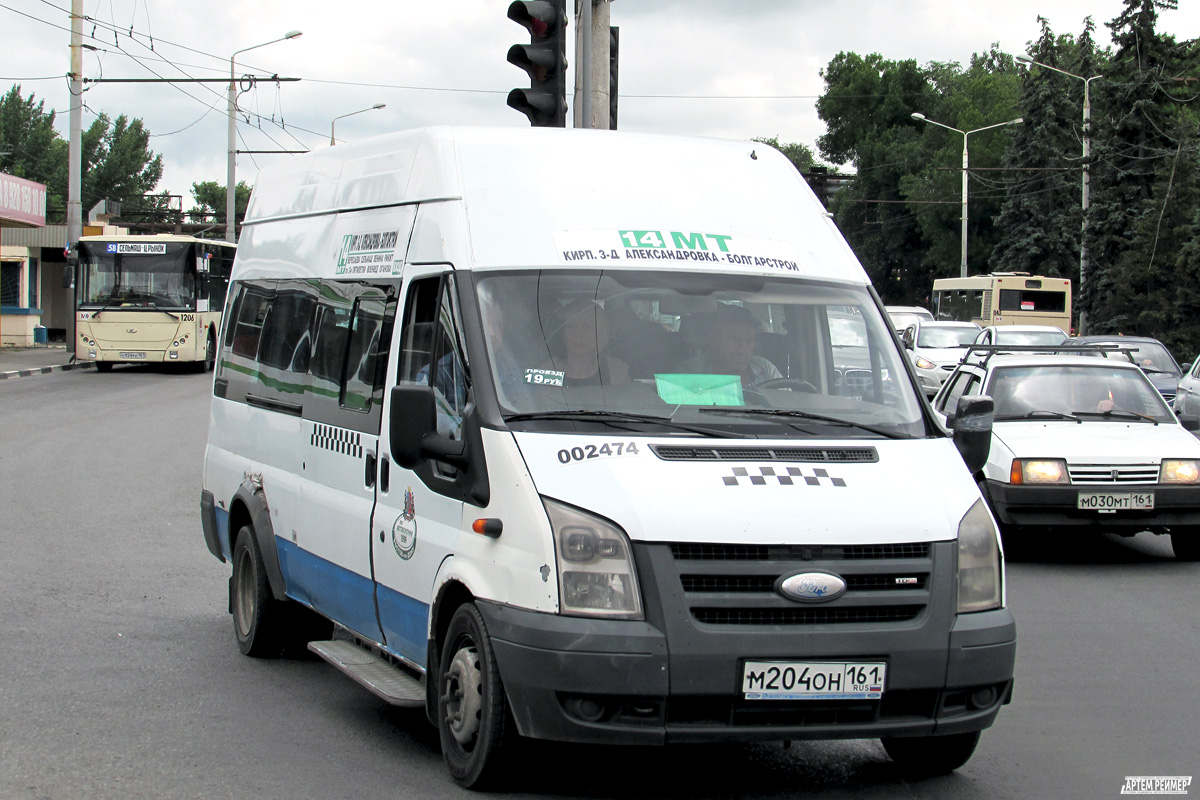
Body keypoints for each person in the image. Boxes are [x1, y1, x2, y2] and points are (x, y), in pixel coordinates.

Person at [678, 303, 781, 385]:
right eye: (734, 339)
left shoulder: (764, 369)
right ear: (713, 339)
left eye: (749, 341)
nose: (742, 349)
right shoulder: (690, 373)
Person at [546, 299, 630, 387]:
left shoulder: (617, 371)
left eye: (586, 326)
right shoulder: (546, 371)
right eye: (571, 326)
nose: (578, 334)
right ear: (561, 333)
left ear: (600, 332)